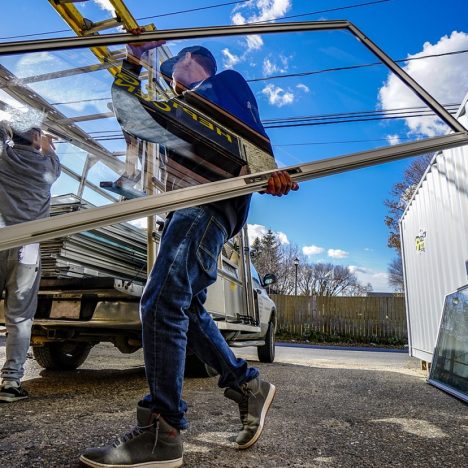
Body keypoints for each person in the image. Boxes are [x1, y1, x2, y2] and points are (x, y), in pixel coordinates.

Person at [80, 37, 298, 468]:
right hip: (184, 208)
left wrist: (264, 169)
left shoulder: (221, 86)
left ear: (193, 62)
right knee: (185, 308)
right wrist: (134, 58)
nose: (170, 77)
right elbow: (129, 110)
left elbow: (251, 127)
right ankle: (245, 385)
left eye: (174, 65)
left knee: (161, 301)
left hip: (210, 203)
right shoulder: (176, 115)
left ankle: (164, 430)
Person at [0, 119, 60, 402]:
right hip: (27, 249)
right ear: (35, 137)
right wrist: (45, 142)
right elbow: (51, 153)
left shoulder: (3, 157)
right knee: (20, 317)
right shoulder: (47, 168)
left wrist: (13, 127)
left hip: (1, 237)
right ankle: (11, 383)